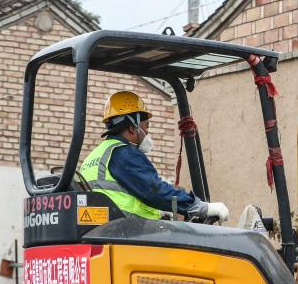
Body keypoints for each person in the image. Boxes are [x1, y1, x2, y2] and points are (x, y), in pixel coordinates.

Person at [80, 91, 228, 222]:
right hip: (129, 236)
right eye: (146, 126)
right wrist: (199, 207)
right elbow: (154, 190)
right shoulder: (124, 153)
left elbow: (127, 194)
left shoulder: (94, 157)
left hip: (105, 233)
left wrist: (163, 213)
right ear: (133, 127)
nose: (147, 132)